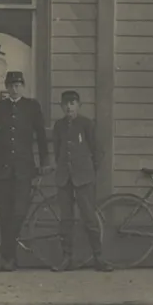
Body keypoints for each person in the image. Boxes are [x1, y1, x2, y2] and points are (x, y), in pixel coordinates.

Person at [0, 71, 49, 272]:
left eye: (18, 85)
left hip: (24, 169)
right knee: (5, 214)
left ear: (23, 86)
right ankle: (10, 258)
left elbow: (42, 136)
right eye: (10, 85)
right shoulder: (0, 107)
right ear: (6, 88)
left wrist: (44, 160)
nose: (14, 88)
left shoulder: (32, 106)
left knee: (19, 212)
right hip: (3, 168)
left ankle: (5, 253)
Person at [51, 90, 113, 272]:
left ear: (79, 105)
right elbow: (57, 150)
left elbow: (98, 151)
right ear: (61, 106)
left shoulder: (86, 124)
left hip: (83, 179)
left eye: (72, 103)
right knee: (66, 219)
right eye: (66, 104)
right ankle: (66, 258)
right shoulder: (59, 126)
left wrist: (88, 170)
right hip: (64, 179)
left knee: (89, 218)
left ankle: (98, 258)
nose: (69, 107)